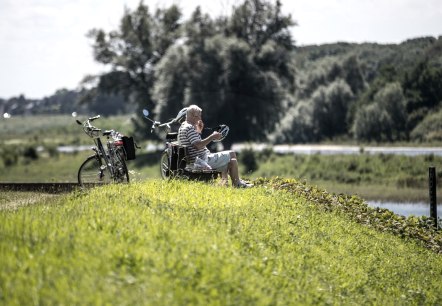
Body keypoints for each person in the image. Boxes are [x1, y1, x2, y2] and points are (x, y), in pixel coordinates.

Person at [178, 104, 252, 188]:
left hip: (196, 159)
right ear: (193, 116)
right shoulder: (190, 128)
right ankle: (237, 183)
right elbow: (198, 145)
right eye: (198, 116)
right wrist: (212, 137)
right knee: (232, 156)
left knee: (232, 159)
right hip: (202, 160)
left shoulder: (184, 126)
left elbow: (194, 142)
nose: (200, 119)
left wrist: (199, 130)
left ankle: (236, 181)